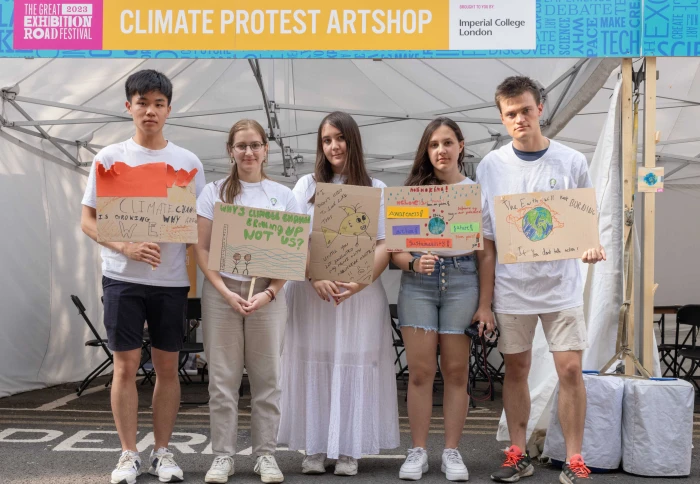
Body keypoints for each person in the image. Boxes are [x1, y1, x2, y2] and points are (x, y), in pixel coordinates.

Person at [478, 76, 606, 484]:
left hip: (560, 287)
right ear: (502, 118)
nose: (519, 119)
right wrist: (485, 301)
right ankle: (518, 455)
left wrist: (591, 245)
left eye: (525, 110)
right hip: (512, 288)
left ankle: (574, 458)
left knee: (570, 370)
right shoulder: (491, 165)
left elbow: (586, 223)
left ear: (540, 109)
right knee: (516, 369)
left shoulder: (571, 161)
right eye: (510, 113)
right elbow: (487, 240)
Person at [80, 69, 205, 484]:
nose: (150, 111)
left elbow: (197, 225)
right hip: (121, 277)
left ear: (169, 109)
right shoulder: (108, 158)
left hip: (171, 281)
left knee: (168, 367)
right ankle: (128, 453)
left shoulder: (188, 162)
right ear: (128, 106)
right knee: (125, 366)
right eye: (142, 103)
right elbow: (87, 220)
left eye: (158, 104)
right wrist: (126, 246)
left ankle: (163, 452)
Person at [278, 111, 400, 476]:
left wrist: (360, 282)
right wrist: (314, 275)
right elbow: (293, 236)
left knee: (354, 362)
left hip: (359, 296)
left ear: (353, 140)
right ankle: (315, 446)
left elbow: (385, 243)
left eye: (340, 138)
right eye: (327, 140)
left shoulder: (376, 188)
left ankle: (349, 448)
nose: (334, 146)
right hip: (311, 293)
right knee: (314, 363)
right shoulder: (306, 185)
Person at [392, 118, 497, 482]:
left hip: (463, 280)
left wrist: (485, 305)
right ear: (427, 149)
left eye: (448, 143)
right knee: (420, 372)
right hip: (417, 283)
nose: (441, 150)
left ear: (461, 146)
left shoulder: (476, 193)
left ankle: (451, 450)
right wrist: (412, 262)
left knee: (456, 372)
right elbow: (395, 251)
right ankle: (418, 450)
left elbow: (486, 254)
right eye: (434, 144)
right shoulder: (411, 193)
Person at [194, 119, 297, 484]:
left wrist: (270, 292)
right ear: (231, 150)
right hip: (221, 292)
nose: (249, 152)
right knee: (222, 379)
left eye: (255, 145)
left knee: (268, 379)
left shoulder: (283, 195)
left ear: (266, 149)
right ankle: (222, 455)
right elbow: (202, 248)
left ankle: (265, 454)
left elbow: (292, 254)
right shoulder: (214, 192)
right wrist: (225, 292)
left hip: (268, 294)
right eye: (241, 146)